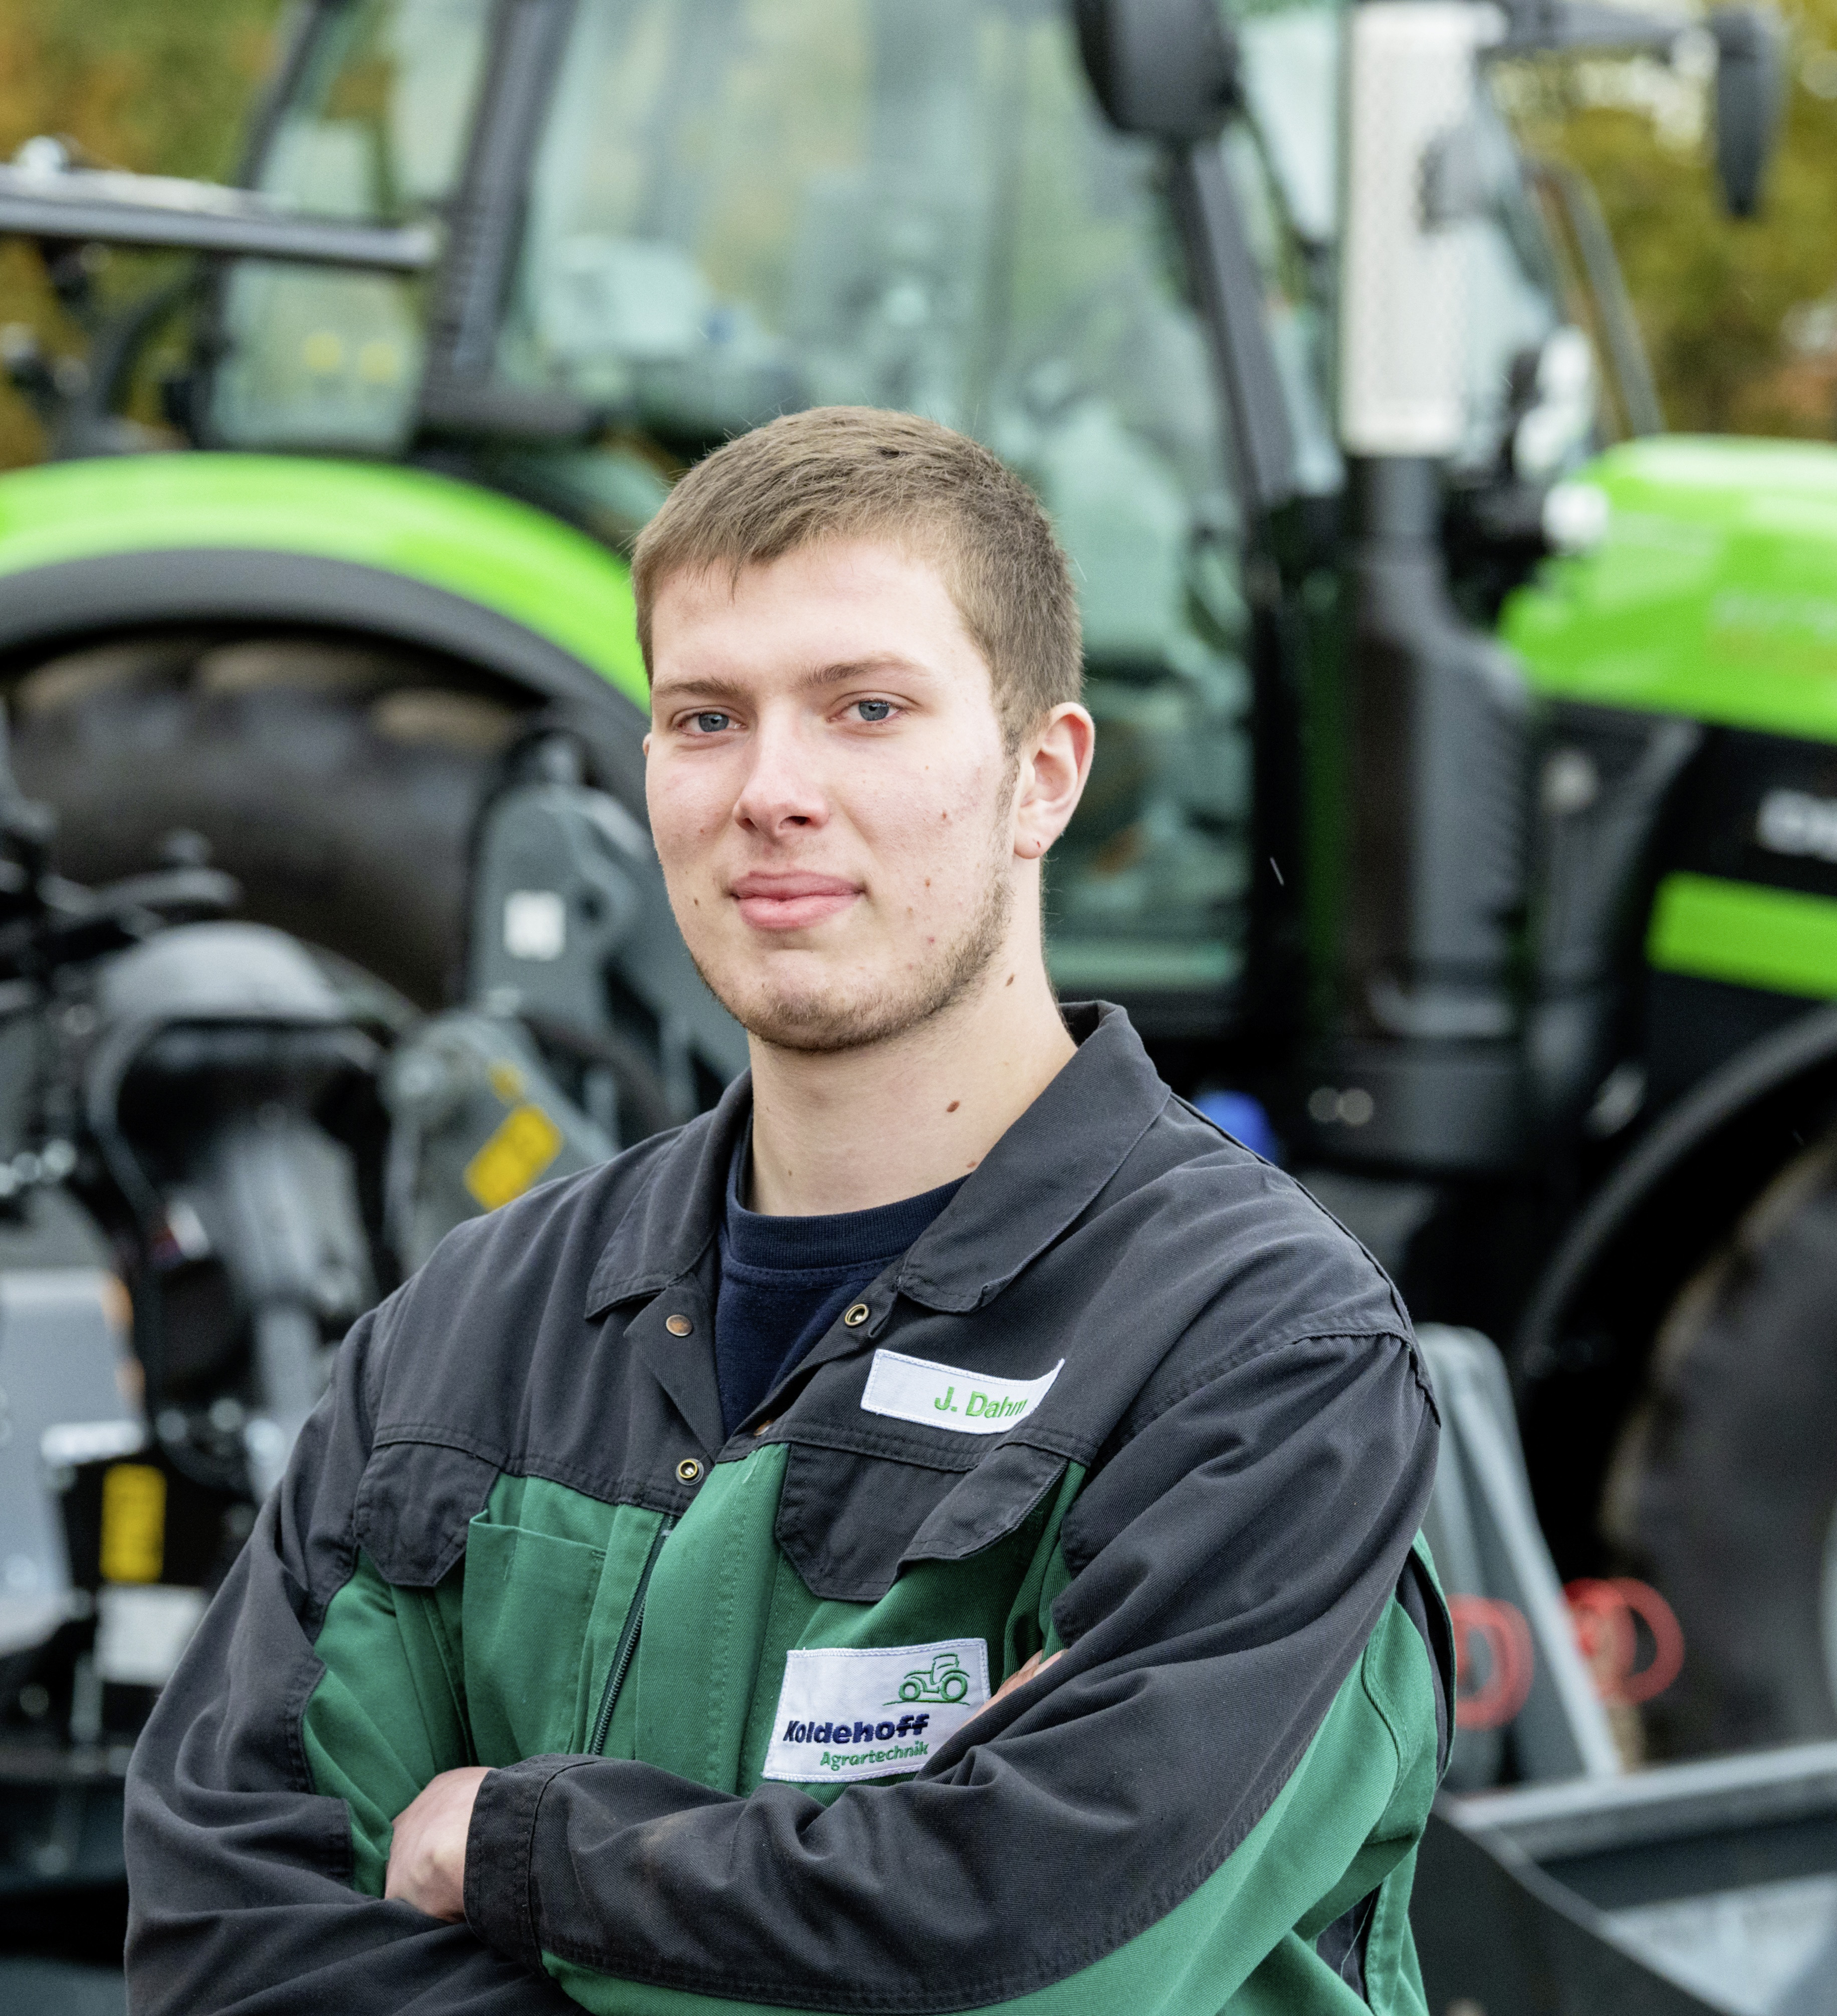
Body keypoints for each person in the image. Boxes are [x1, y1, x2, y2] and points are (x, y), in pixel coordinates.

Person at [123, 406, 1448, 2015]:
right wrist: (832, 1898)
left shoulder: (1257, 1356)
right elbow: (224, 1945)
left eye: (866, 709)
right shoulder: (470, 1330)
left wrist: (516, 1850)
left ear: (1042, 777)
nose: (772, 790)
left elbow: (1021, 1958)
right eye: (706, 718)